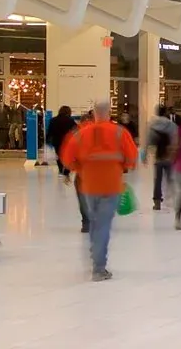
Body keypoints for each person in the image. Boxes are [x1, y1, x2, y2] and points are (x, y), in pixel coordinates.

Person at [59, 102, 137, 280]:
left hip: (88, 185)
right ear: (109, 113)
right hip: (111, 185)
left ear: (94, 113)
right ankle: (98, 268)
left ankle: (96, 256)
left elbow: (66, 157)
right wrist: (121, 167)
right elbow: (132, 158)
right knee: (103, 225)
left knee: (94, 221)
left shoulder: (81, 133)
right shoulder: (119, 132)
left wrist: (79, 167)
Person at [145, 104, 178, 208]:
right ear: (165, 113)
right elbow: (175, 140)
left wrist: (145, 155)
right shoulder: (172, 125)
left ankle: (157, 202)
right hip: (169, 155)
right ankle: (174, 200)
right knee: (171, 178)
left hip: (158, 156)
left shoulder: (152, 125)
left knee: (157, 180)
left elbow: (148, 141)